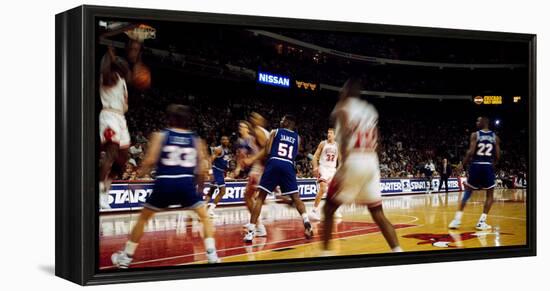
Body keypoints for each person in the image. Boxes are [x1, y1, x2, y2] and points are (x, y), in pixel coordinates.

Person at [111, 105, 219, 268]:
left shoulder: (161, 136)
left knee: (143, 219)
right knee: (204, 217)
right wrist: (199, 190)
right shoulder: (196, 139)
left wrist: (137, 178)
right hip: (185, 183)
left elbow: (149, 161)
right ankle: (212, 256)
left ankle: (125, 258)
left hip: (165, 183)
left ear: (170, 119)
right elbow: (202, 169)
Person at [322, 78, 402, 254]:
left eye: (342, 89)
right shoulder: (370, 110)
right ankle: (398, 252)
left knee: (328, 209)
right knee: (378, 214)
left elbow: (343, 139)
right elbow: (378, 142)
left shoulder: (342, 107)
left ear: (347, 91)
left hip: (354, 161)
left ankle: (324, 256)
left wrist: (343, 167)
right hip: (371, 162)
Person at [242, 115, 313, 243]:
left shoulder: (275, 131)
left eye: (282, 120)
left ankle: (251, 232)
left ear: (287, 122)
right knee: (296, 198)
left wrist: (255, 158)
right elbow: (294, 154)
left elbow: (268, 150)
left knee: (260, 198)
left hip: (274, 163)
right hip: (288, 165)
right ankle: (307, 223)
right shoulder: (297, 137)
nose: (280, 121)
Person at [449, 116, 500, 231]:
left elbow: (470, 152)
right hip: (487, 165)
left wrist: (462, 164)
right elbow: (498, 155)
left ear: (484, 122)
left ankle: (456, 220)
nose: (476, 122)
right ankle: (481, 222)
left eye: (478, 120)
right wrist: (493, 164)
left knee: (467, 193)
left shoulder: (475, 135)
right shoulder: (495, 137)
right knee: (490, 195)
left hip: (476, 165)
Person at [98, 46, 132, 209]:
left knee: (123, 158)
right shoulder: (109, 76)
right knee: (111, 152)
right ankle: (98, 189)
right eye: (120, 62)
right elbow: (105, 69)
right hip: (109, 115)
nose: (124, 64)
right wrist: (108, 56)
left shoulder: (122, 80)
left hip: (120, 117)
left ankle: (106, 190)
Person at [309, 128, 341, 221]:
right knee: (323, 188)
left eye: (331, 133)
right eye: (328, 133)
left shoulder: (338, 146)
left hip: (332, 169)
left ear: (335, 135)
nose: (329, 134)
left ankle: (333, 210)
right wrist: (315, 167)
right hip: (323, 167)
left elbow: (341, 160)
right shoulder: (323, 143)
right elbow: (315, 157)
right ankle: (314, 211)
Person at [205, 136, 232, 217]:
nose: (225, 140)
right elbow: (210, 160)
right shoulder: (218, 149)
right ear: (221, 141)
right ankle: (210, 210)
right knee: (222, 191)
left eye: (226, 139)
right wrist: (210, 172)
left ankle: (204, 209)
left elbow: (224, 161)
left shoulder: (227, 150)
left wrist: (227, 169)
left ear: (228, 141)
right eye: (223, 139)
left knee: (211, 191)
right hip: (216, 171)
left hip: (220, 172)